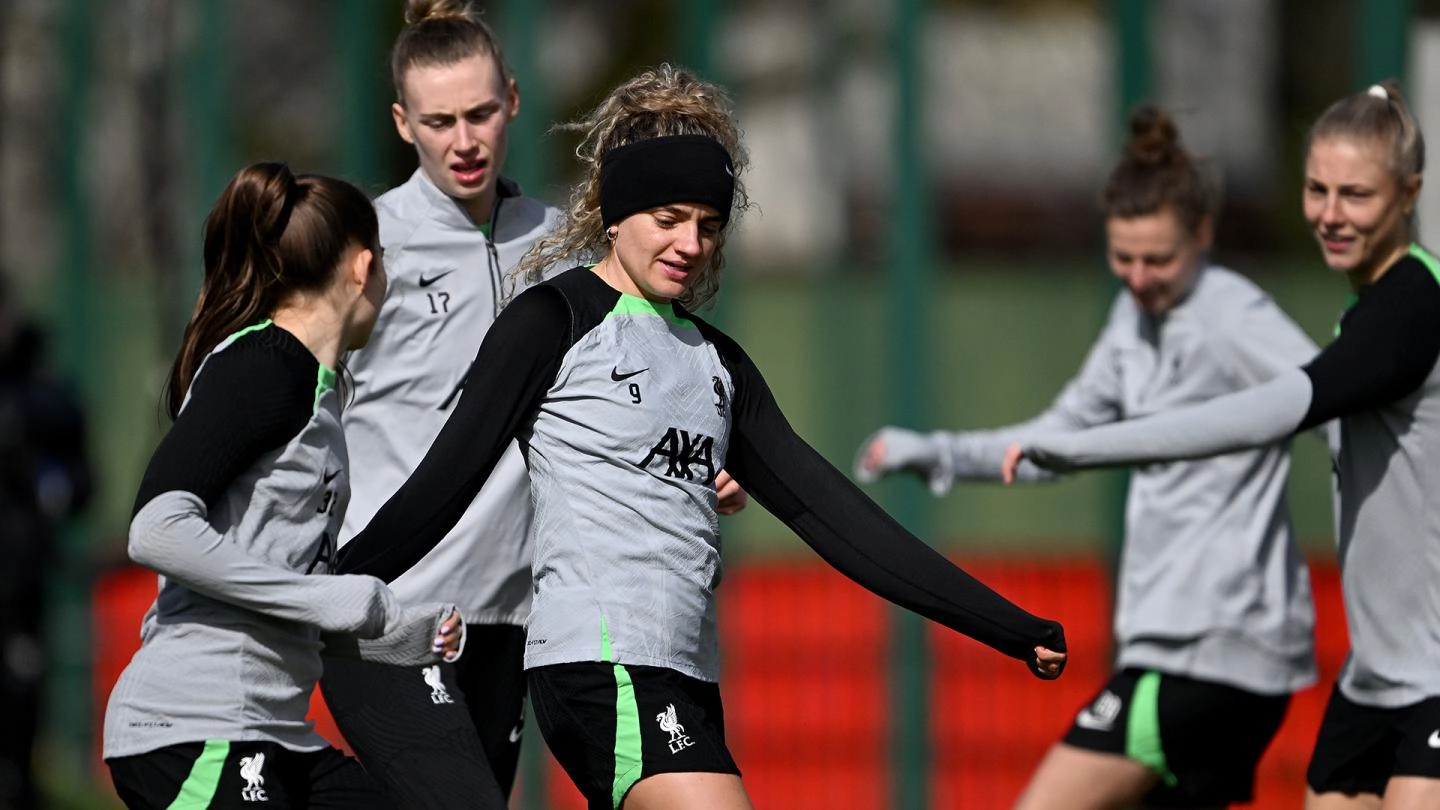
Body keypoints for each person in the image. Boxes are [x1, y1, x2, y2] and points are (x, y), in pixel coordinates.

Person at [336, 63, 1067, 810]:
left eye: (708, 225)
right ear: (615, 216)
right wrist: (316, 591)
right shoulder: (552, 322)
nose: (691, 242)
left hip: (688, 674)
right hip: (602, 665)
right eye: (668, 218)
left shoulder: (718, 365)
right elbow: (442, 485)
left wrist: (1005, 625)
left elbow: (837, 518)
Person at [319, 5, 747, 807]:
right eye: (439, 121)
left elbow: (632, 400)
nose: (464, 139)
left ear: (513, 99)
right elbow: (301, 404)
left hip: (519, 618)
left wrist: (696, 466)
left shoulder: (564, 249)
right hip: (395, 610)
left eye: (479, 113)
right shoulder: (368, 246)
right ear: (400, 122)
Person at [855, 105, 1319, 809]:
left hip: (1208, 649)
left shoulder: (1233, 313)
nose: (1137, 276)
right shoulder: (1133, 319)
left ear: (1202, 235)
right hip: (1189, 652)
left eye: (1157, 258)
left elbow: (1334, 393)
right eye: (1122, 257)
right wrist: (938, 453)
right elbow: (1055, 440)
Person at [1003, 81, 1440, 810]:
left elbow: (1261, 414)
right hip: (1371, 680)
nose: (1330, 216)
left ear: (1409, 194)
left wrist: (1082, 448)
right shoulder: (1370, 310)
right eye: (1316, 189)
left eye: (1356, 196)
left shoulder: (1411, 311)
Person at [103, 162, 464, 810]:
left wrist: (400, 632)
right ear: (361, 268)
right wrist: (330, 598)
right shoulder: (267, 366)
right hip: (196, 729)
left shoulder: (318, 393)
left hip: (275, 736)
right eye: (383, 263)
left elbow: (276, 585)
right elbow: (156, 528)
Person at [0, 272, 92, 810]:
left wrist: (48, 491)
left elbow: (81, 478)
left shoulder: (44, 394)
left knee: (21, 689)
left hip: (20, 573)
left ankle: (21, 782)